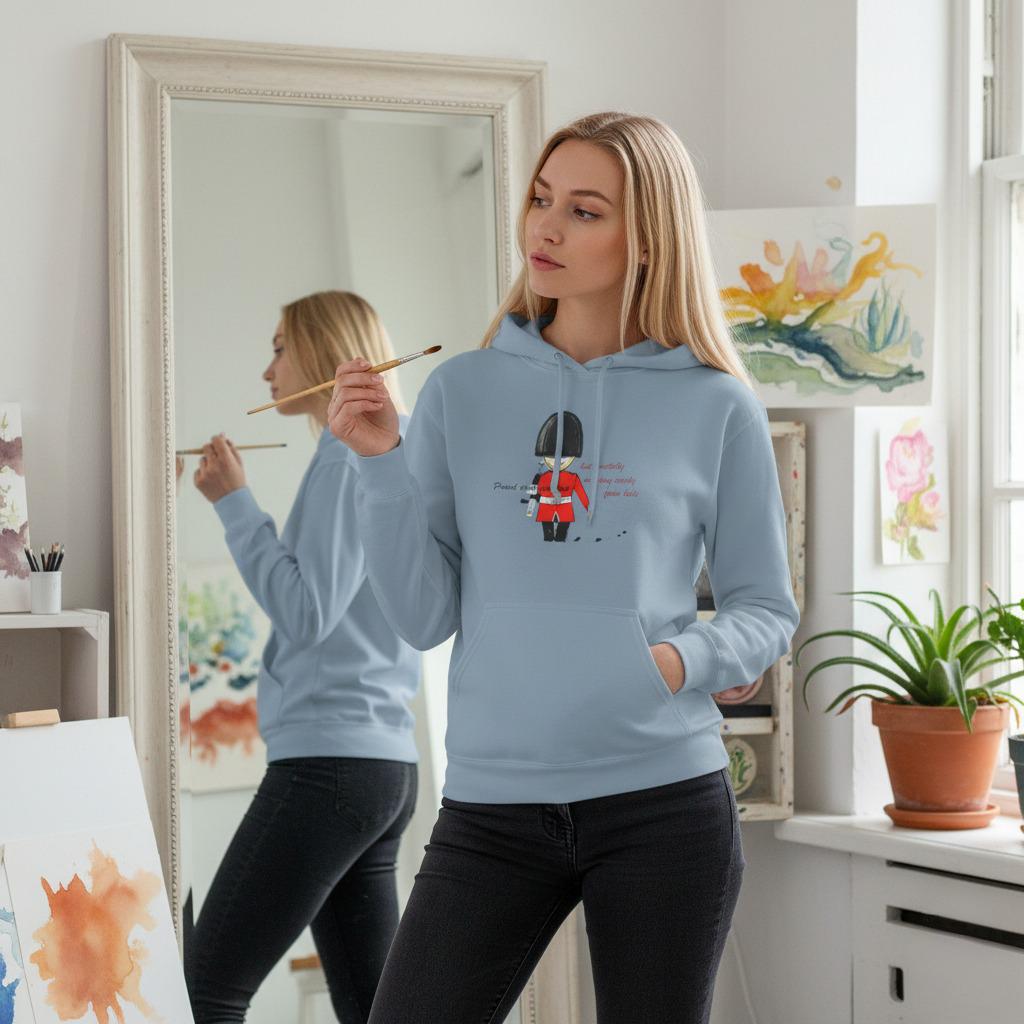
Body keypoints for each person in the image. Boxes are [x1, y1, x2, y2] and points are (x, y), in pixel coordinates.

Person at [329, 112, 801, 1023]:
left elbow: (763, 609)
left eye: (584, 211)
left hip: (663, 801)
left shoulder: (718, 406)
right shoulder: (460, 391)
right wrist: (380, 463)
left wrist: (672, 663)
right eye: (541, 200)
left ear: (649, 241)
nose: (544, 228)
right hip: (493, 809)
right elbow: (424, 617)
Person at [184, 290, 421, 1024]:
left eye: (280, 347)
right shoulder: (391, 450)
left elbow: (305, 611)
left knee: (205, 991)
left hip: (331, 767)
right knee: (372, 1010)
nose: (267, 371)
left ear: (323, 353)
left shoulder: (345, 455)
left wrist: (234, 503)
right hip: (380, 767)